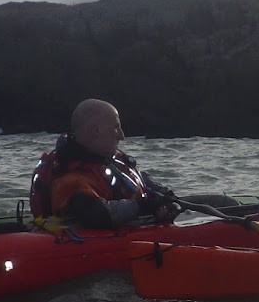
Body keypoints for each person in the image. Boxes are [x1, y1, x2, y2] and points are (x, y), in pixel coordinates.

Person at [29, 98, 182, 230]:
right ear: (96, 130)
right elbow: (97, 214)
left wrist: (166, 197)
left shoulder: (113, 158)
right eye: (116, 128)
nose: (121, 136)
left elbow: (140, 180)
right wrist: (145, 206)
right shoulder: (68, 178)